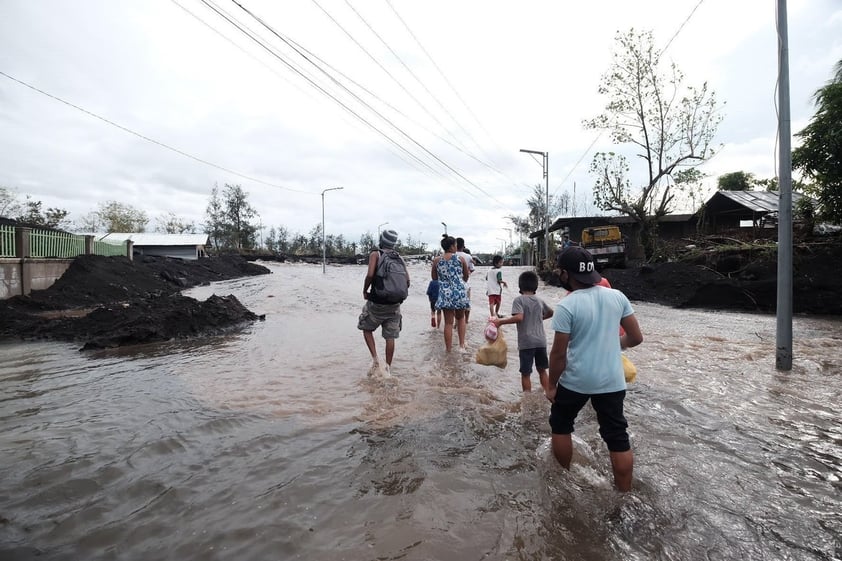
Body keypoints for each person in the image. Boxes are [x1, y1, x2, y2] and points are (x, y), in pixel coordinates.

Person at [547, 246, 643, 492]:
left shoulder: (567, 305)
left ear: (567, 275)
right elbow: (635, 337)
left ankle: (564, 482)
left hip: (576, 380)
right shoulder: (617, 297)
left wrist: (551, 385)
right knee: (617, 436)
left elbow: (558, 354)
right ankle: (624, 494)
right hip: (612, 380)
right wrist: (614, 345)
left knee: (561, 424)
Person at [358, 229, 410, 375]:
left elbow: (370, 274)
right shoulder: (399, 258)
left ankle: (375, 360)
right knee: (390, 336)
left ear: (382, 240)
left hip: (377, 301)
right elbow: (407, 280)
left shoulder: (376, 254)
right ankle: (387, 367)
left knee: (366, 328)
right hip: (395, 304)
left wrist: (365, 290)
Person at [491, 270, 553, 392]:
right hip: (541, 342)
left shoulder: (519, 300)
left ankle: (527, 399)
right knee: (542, 370)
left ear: (520, 286)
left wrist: (500, 322)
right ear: (535, 286)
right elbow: (551, 312)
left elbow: (519, 317)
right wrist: (540, 318)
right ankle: (548, 394)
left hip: (526, 343)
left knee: (526, 374)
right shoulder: (539, 300)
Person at [431, 235, 470, 352]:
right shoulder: (460, 259)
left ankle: (448, 350)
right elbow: (466, 276)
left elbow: (434, 278)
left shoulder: (437, 260)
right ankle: (462, 346)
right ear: (452, 246)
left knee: (448, 322)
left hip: (445, 292)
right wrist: (459, 284)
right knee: (461, 318)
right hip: (459, 291)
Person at [455, 237, 475, 322]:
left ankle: (456, 322)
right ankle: (466, 321)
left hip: (453, 284)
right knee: (467, 304)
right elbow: (472, 269)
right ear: (463, 245)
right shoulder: (468, 256)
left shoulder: (451, 256)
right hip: (466, 284)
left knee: (455, 305)